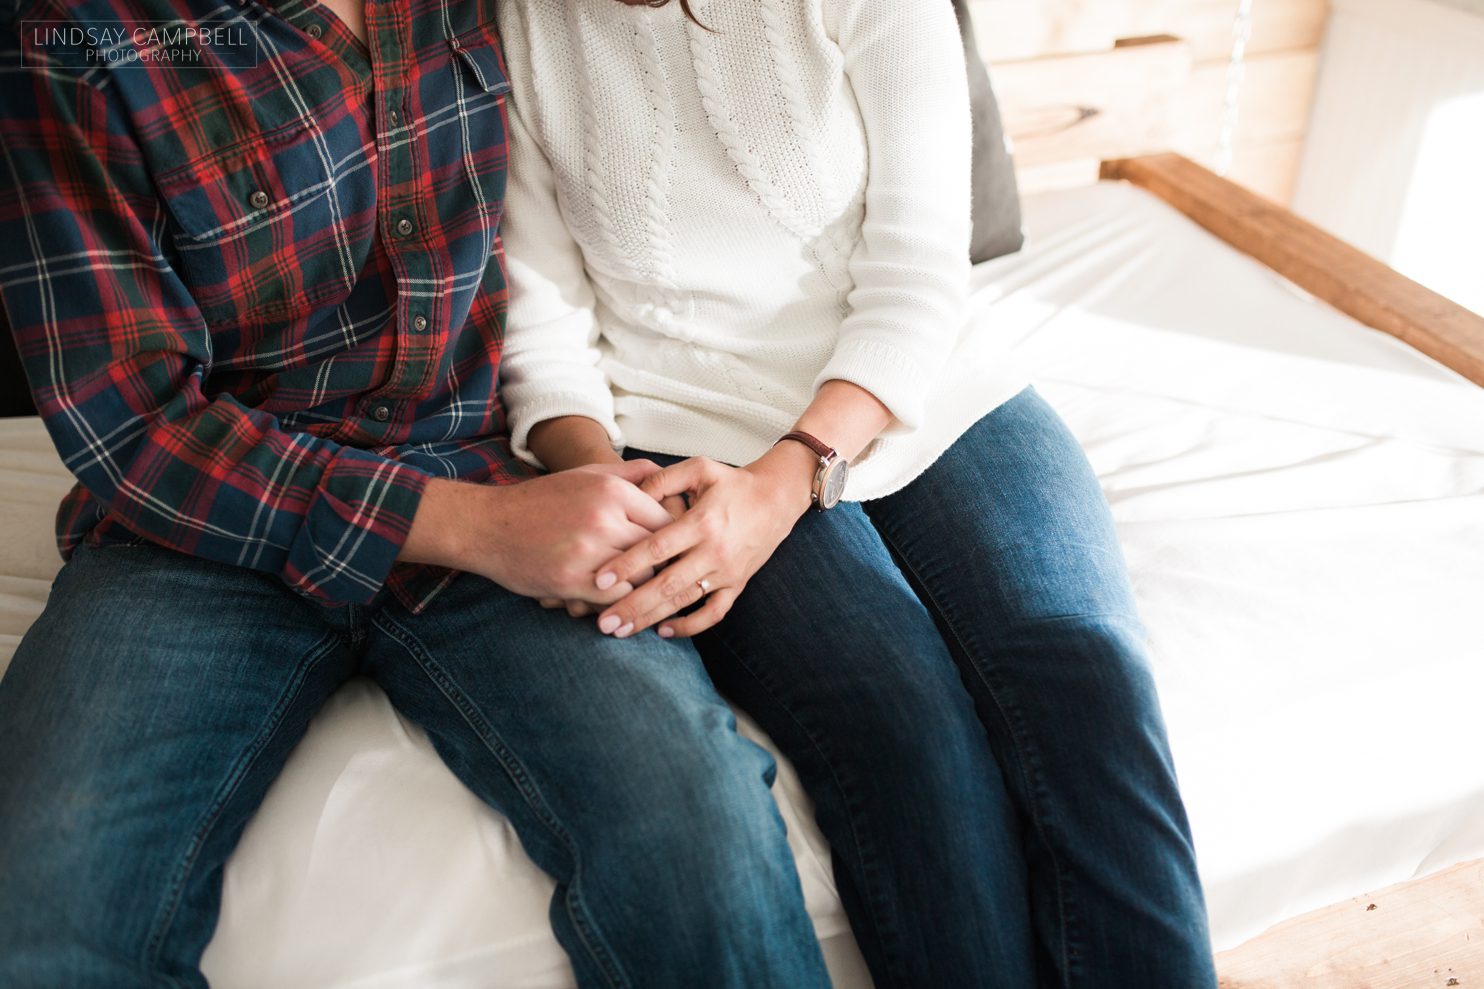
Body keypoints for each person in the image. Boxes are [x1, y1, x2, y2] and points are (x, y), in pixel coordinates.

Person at [0, 1, 836, 986]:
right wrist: (473, 526)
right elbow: (135, 422)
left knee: (699, 826)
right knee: (41, 908)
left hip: (484, 457)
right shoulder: (73, 38)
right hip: (203, 526)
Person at [495, 0, 1221, 985]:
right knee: (907, 733)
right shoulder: (515, 24)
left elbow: (916, 273)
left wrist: (786, 479)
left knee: (1088, 689)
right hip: (687, 436)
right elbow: (543, 330)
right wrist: (604, 484)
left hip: (932, 388)